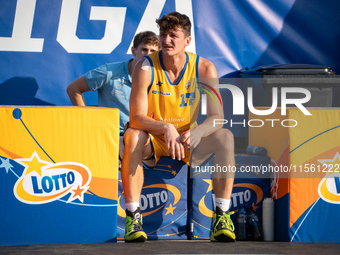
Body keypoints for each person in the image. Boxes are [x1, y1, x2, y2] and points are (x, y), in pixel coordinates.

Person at [121, 12, 236, 242]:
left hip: (189, 139)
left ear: (187, 40)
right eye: (163, 34)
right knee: (133, 135)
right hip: (157, 138)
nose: (166, 40)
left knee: (225, 137)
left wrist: (198, 132)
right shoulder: (145, 67)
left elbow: (217, 117)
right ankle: (133, 217)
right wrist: (165, 127)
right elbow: (136, 118)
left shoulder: (204, 68)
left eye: (173, 35)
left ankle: (222, 216)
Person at [66, 31, 160, 135]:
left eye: (153, 51)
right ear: (133, 51)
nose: (148, 54)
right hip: (111, 135)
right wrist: (86, 121)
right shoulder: (109, 72)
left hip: (142, 137)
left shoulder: (160, 78)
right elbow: (73, 88)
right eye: (144, 49)